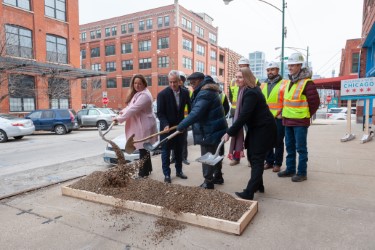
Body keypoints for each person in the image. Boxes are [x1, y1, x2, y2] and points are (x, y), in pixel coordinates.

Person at [222, 67, 277, 200]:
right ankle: (259, 185)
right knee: (252, 156)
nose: (237, 79)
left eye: (240, 77)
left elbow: (244, 115)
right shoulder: (246, 90)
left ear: (247, 78)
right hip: (256, 128)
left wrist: (229, 132)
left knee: (257, 159)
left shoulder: (251, 92)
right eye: (236, 77)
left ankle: (249, 191)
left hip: (263, 129)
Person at [177, 72, 228, 189]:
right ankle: (218, 176)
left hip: (209, 130)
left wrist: (181, 125)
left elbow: (196, 113)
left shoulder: (205, 93)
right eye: (190, 83)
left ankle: (208, 182)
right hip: (216, 128)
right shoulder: (209, 90)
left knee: (207, 156)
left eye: (194, 82)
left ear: (200, 80)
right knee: (215, 154)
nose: (192, 85)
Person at [277, 53, 320, 182]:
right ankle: (290, 170)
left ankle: (302, 173)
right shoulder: (290, 81)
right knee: (290, 147)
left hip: (300, 122)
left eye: (293, 65)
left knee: (301, 149)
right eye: (289, 65)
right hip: (288, 120)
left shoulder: (307, 83)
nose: (290, 67)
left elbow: (315, 103)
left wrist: (306, 115)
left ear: (300, 65)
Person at [114, 74, 157, 177]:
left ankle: (142, 174)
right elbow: (130, 106)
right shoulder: (139, 93)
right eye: (135, 83)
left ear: (144, 84)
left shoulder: (145, 96)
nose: (137, 85)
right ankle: (148, 169)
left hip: (144, 125)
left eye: (139, 83)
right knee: (144, 149)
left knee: (143, 148)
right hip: (141, 124)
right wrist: (122, 112)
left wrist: (120, 119)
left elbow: (134, 109)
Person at [157, 70, 191, 183]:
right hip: (166, 129)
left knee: (178, 150)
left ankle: (179, 171)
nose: (172, 85)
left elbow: (190, 109)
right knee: (166, 152)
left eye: (175, 82)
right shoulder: (162, 94)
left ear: (179, 81)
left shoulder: (185, 93)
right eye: (170, 82)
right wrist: (165, 124)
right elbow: (160, 113)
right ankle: (167, 174)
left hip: (180, 127)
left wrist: (187, 121)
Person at [261, 61, 288, 173]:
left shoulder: (285, 83)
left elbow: (287, 99)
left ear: (277, 70)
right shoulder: (263, 85)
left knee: (278, 141)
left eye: (272, 69)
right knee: (266, 140)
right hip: (266, 118)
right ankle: (269, 161)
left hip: (278, 117)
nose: (270, 72)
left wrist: (283, 112)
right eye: (268, 70)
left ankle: (277, 163)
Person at [170, 71, 191, 165]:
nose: (181, 82)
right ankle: (173, 157)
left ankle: (184, 157)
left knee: (183, 140)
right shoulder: (171, 91)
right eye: (180, 79)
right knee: (173, 139)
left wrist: (189, 120)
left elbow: (191, 107)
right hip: (174, 120)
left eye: (182, 80)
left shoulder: (187, 92)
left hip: (184, 120)